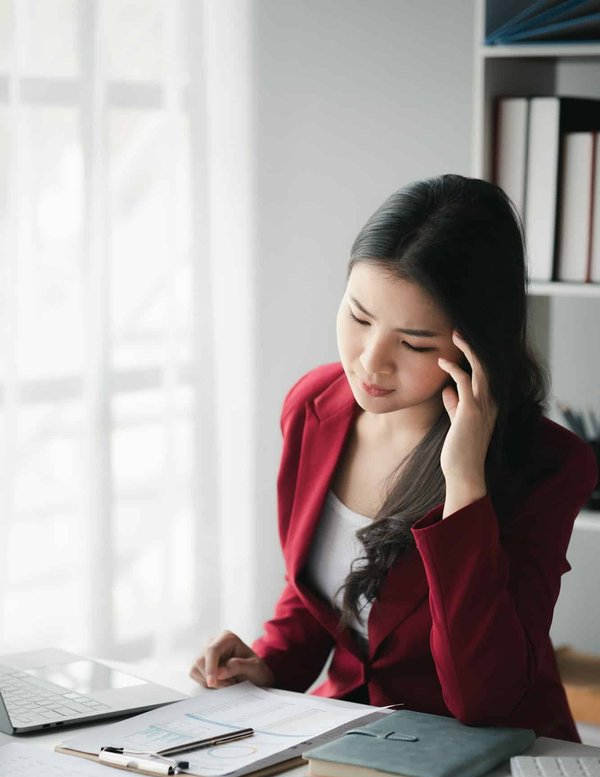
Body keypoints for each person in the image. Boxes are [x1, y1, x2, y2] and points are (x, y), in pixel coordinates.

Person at [190, 174, 597, 741]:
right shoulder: (313, 405)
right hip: (349, 740)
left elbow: (485, 696)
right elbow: (324, 594)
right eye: (359, 317)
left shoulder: (548, 464)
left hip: (492, 757)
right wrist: (267, 665)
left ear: (475, 347)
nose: (370, 362)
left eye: (413, 343)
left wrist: (464, 484)